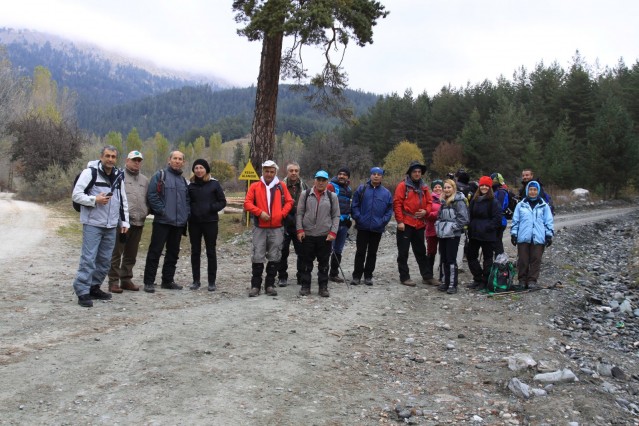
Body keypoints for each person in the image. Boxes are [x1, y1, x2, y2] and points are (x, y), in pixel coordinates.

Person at [72, 146, 129, 307]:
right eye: (107, 156)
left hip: (111, 225)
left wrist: (124, 222)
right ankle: (82, 290)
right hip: (92, 223)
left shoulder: (118, 175)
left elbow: (122, 200)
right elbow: (76, 195)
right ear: (101, 157)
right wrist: (94, 200)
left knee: (104, 260)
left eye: (113, 156)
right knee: (88, 258)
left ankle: (94, 287)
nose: (110, 159)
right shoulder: (90, 173)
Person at [244, 160, 293, 297]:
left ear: (275, 172)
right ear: (263, 171)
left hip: (277, 228)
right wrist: (259, 212)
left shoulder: (281, 186)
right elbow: (247, 203)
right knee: (258, 256)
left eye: (272, 171)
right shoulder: (255, 186)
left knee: (275, 256)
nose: (269, 174)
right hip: (260, 227)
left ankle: (270, 285)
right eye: (267, 171)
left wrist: (281, 214)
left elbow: (290, 202)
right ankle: (255, 286)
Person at [143, 151, 190, 293]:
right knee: (155, 251)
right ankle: (149, 282)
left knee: (173, 253)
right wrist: (162, 211)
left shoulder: (183, 181)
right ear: (169, 160)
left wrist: (186, 214)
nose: (177, 161)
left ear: (183, 162)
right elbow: (151, 195)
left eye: (180, 159)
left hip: (178, 223)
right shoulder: (160, 175)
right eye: (175, 158)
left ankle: (167, 281)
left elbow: (187, 200)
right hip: (162, 221)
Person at [107, 150, 148, 294]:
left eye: (139, 160)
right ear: (127, 161)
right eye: (134, 160)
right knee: (116, 252)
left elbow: (147, 198)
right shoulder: (119, 176)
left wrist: (146, 211)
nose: (136, 163)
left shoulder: (144, 180)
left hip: (139, 222)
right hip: (122, 223)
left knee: (131, 253)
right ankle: (113, 281)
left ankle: (126, 279)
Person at [296, 170, 340, 297]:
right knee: (306, 263)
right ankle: (305, 286)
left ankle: (323, 287)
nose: (321, 182)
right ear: (314, 180)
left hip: (325, 236)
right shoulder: (305, 194)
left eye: (323, 180)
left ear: (327, 182)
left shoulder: (332, 197)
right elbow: (299, 214)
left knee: (324, 264)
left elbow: (336, 216)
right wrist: (299, 230)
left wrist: (333, 232)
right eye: (318, 180)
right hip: (308, 235)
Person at [188, 159, 227, 291]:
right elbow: (187, 202)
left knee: (211, 251)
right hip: (194, 223)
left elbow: (222, 202)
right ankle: (196, 281)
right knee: (195, 252)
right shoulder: (190, 185)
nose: (199, 170)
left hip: (210, 222)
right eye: (196, 168)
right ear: (194, 170)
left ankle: (211, 281)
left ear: (206, 169)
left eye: (201, 168)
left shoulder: (214, 184)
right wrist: (191, 211)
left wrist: (211, 207)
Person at [350, 167, 393, 286]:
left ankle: (368, 276)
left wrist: (382, 222)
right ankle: (356, 276)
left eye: (378, 174)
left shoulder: (386, 193)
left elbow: (389, 210)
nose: (376, 176)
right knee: (360, 252)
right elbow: (355, 205)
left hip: (377, 228)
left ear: (382, 177)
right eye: (374, 174)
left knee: (372, 252)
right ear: (370, 175)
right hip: (362, 227)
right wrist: (358, 217)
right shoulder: (362, 189)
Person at [393, 161, 432, 286]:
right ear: (410, 173)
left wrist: (426, 211)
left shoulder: (424, 187)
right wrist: (400, 221)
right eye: (414, 171)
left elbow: (430, 203)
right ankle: (404, 277)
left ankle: (427, 276)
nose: (417, 174)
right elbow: (397, 204)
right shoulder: (402, 186)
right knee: (403, 252)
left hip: (419, 224)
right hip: (406, 223)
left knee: (421, 251)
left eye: (419, 172)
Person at [511, 181, 554, 289]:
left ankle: (532, 280)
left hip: (538, 237)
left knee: (536, 259)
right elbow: (515, 221)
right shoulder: (520, 205)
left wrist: (548, 235)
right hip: (523, 236)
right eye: (531, 190)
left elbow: (548, 221)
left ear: (538, 191)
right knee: (523, 260)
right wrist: (514, 234)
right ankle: (522, 280)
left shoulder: (544, 206)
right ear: (527, 191)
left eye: (535, 190)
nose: (533, 192)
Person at [466, 176, 502, 291]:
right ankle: (478, 278)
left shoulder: (494, 202)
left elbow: (497, 219)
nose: (484, 187)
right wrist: (470, 227)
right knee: (471, 256)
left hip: (487, 234)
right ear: (479, 186)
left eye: (487, 185)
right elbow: (470, 215)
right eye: (482, 185)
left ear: (490, 187)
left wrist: (487, 227)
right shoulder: (474, 200)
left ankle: (485, 280)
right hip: (474, 233)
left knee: (487, 258)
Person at [435, 179, 469, 294]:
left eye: (449, 187)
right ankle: (445, 281)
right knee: (443, 258)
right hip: (443, 234)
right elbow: (439, 217)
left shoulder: (459, 202)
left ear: (454, 188)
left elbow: (463, 219)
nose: (446, 189)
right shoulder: (443, 202)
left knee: (451, 259)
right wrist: (438, 226)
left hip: (453, 235)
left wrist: (452, 228)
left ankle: (452, 284)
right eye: (445, 187)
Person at [277, 162, 308, 287]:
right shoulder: (280, 185)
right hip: (283, 223)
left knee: (301, 252)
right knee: (283, 252)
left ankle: (301, 276)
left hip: (300, 224)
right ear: (287, 172)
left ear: (299, 172)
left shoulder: (304, 186)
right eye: (291, 170)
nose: (294, 173)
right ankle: (282, 277)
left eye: (296, 170)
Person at [327, 167, 353, 283]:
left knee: (338, 250)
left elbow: (347, 205)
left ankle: (334, 274)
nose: (342, 176)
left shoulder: (349, 189)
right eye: (340, 174)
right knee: (327, 250)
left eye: (344, 174)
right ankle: (323, 274)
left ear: (348, 177)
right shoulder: (331, 186)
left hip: (344, 224)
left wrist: (349, 218)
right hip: (332, 223)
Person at [424, 179, 443, 285]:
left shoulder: (447, 198)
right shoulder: (429, 199)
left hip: (445, 230)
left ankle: (443, 275)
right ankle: (428, 275)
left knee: (444, 252)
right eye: (435, 187)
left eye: (440, 186)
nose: (438, 188)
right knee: (431, 252)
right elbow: (427, 214)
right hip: (432, 229)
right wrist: (440, 213)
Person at [490, 172, 509, 256]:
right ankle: (499, 262)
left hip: (499, 220)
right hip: (499, 219)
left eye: (492, 180)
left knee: (497, 243)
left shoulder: (501, 192)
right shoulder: (497, 191)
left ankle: (500, 263)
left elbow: (499, 207)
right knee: (496, 242)